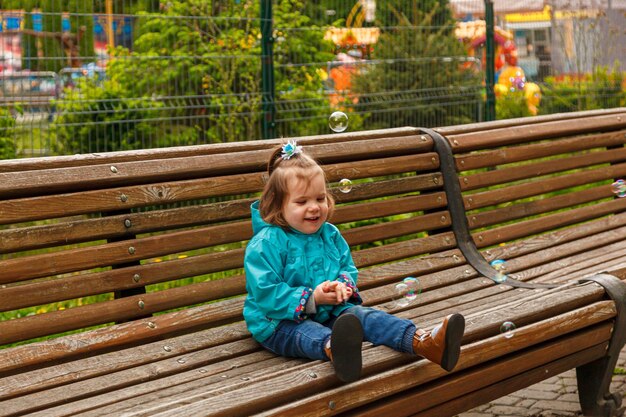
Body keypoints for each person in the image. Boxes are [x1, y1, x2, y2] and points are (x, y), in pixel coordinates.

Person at [243, 140, 465, 383]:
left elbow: (346, 268)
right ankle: (337, 349)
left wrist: (342, 286)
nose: (314, 207)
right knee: (307, 333)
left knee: (365, 316)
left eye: (320, 198)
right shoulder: (267, 242)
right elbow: (265, 293)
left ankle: (424, 342)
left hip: (328, 311)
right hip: (277, 323)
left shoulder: (330, 234)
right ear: (277, 204)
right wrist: (311, 298)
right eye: (301, 201)